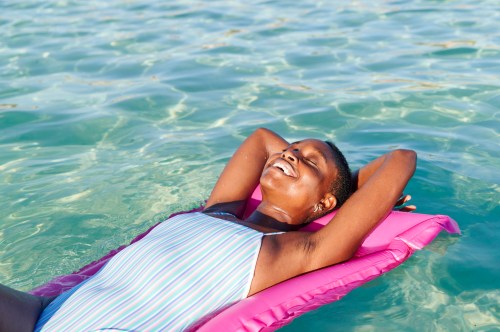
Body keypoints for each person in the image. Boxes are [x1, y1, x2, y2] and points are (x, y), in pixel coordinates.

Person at [0, 128, 416, 331]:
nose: (290, 153)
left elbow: (401, 158)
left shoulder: (297, 251)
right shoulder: (218, 212)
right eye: (291, 149)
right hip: (41, 313)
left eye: (308, 161)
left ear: (323, 205)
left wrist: (354, 197)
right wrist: (321, 179)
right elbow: (260, 140)